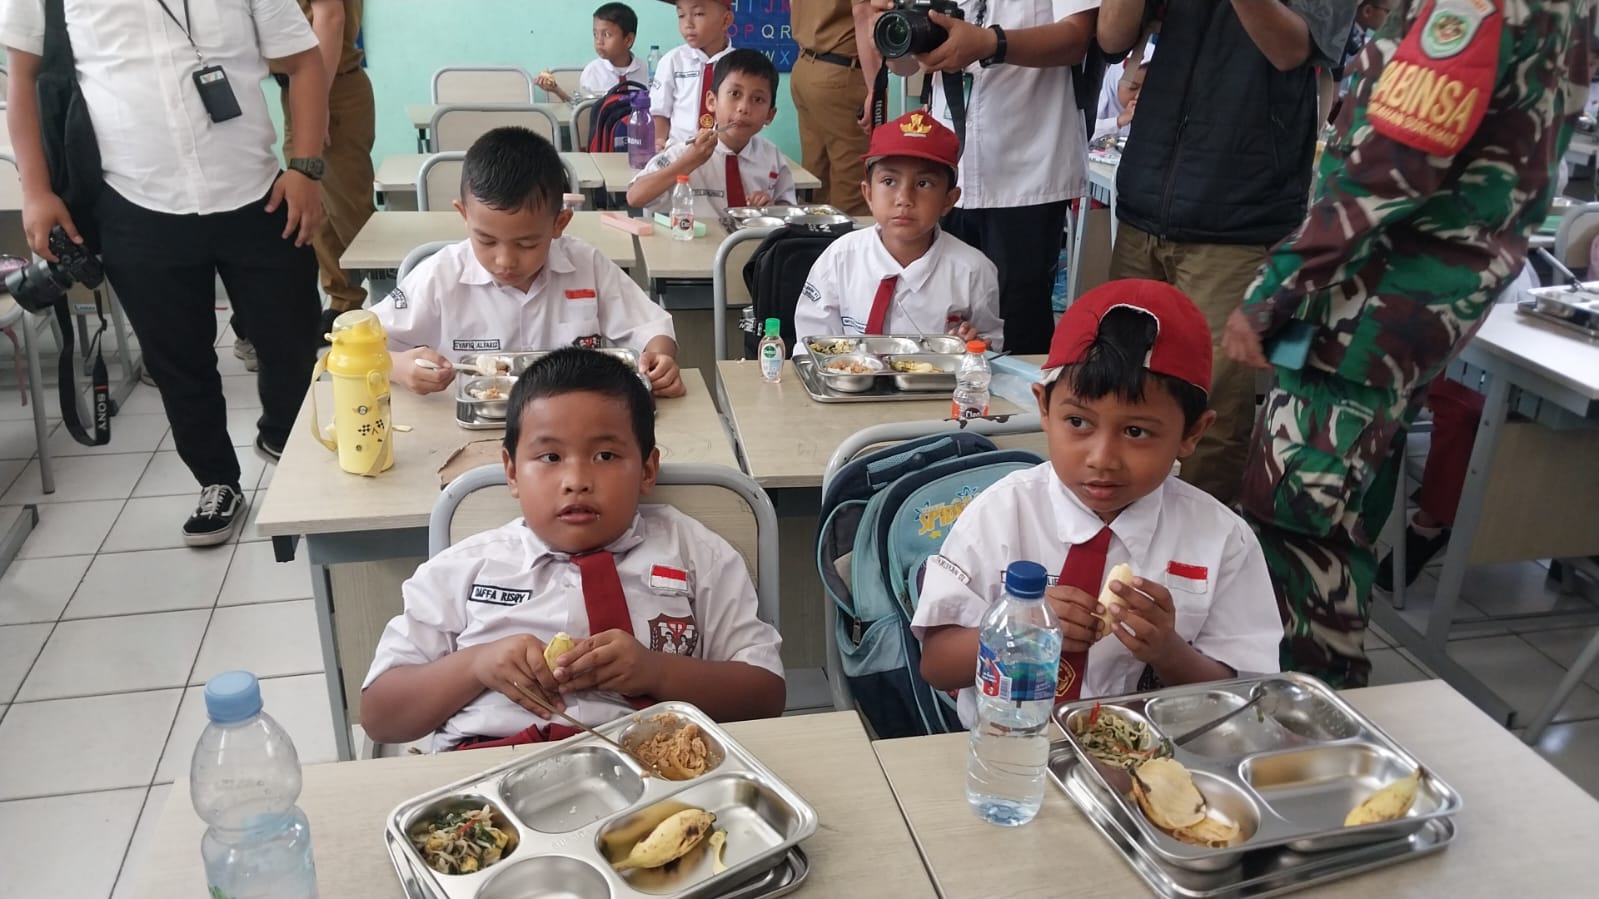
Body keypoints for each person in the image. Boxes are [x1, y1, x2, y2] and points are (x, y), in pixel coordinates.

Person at [1221, 0, 1592, 687]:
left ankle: (1307, 709)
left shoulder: (1471, 6)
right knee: (1330, 505)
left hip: (1367, 306)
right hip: (1407, 303)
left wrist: (1274, 288)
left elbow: (1391, 165)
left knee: (1298, 517)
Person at [3, 0, 327, 545]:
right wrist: (35, 192)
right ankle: (217, 480)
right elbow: (23, 80)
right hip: (134, 200)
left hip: (259, 195)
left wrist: (306, 169)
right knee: (179, 362)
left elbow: (304, 63)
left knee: (292, 343)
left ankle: (283, 436)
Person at [360, 349, 786, 750]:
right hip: (490, 774)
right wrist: (474, 665)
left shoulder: (696, 554)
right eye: (549, 457)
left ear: (647, 468)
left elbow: (765, 696)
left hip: (652, 772)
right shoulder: (463, 569)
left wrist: (658, 672)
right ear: (511, 472)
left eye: (604, 455)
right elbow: (381, 717)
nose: (576, 479)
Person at [912, 280, 1282, 723]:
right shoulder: (1001, 514)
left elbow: (1243, 697)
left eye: (1136, 432)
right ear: (1044, 411)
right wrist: (1020, 629)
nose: (1102, 459)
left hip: (1158, 752)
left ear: (1192, 434)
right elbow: (936, 663)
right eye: (1078, 422)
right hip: (1009, 749)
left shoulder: (1222, 540)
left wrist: (1169, 652)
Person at [1097, 0, 1359, 506]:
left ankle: (1195, 564)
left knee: (1209, 407)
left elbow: (1290, 50)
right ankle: (1116, 530)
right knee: (1116, 379)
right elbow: (1111, 37)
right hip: (1147, 197)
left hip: (1238, 215)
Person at [374, 127, 683, 397]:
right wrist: (396, 367)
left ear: (559, 223)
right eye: (486, 241)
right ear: (464, 215)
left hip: (568, 430)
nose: (504, 260)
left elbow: (650, 327)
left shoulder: (586, 265)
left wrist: (659, 360)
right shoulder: (440, 276)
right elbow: (354, 345)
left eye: (527, 243)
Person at [870, 0, 1100, 357]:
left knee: (1018, 327)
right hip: (945, 173)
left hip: (1027, 173)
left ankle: (1021, 412)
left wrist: (990, 43)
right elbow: (904, 64)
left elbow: (1077, 37)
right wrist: (889, 23)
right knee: (938, 319)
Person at [793, 110, 1003, 350]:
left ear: (948, 200)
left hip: (938, 387)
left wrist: (973, 345)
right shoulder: (839, 258)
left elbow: (990, 344)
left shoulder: (973, 271)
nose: (904, 199)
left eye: (923, 184)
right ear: (868, 194)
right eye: (889, 182)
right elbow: (811, 344)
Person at [627, 50, 794, 220]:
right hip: (695, 243)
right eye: (735, 94)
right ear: (711, 102)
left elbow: (788, 210)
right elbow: (634, 197)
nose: (744, 108)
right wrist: (689, 162)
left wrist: (770, 210)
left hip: (754, 245)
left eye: (758, 99)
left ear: (769, 115)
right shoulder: (687, 151)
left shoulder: (772, 158)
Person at [788, 0, 879, 216]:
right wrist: (876, 86)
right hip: (841, 73)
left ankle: (811, 244)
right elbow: (863, 12)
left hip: (806, 65)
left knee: (816, 179)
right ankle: (846, 247)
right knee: (854, 186)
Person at [649, 0, 734, 150]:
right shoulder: (672, 61)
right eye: (681, 15)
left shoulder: (739, 65)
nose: (687, 23)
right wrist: (659, 143)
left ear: (725, 20)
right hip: (679, 152)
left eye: (698, 14)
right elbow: (660, 112)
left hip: (724, 152)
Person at [535, 3, 650, 102]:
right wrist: (556, 90)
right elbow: (582, 110)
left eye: (607, 35)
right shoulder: (592, 71)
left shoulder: (648, 72)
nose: (599, 41)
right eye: (595, 34)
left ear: (628, 40)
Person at [1090, 42, 1152, 145]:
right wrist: (1118, 122)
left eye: (1148, 90)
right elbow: (1082, 134)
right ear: (1115, 82)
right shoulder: (1092, 106)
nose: (1138, 96)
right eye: (1132, 87)